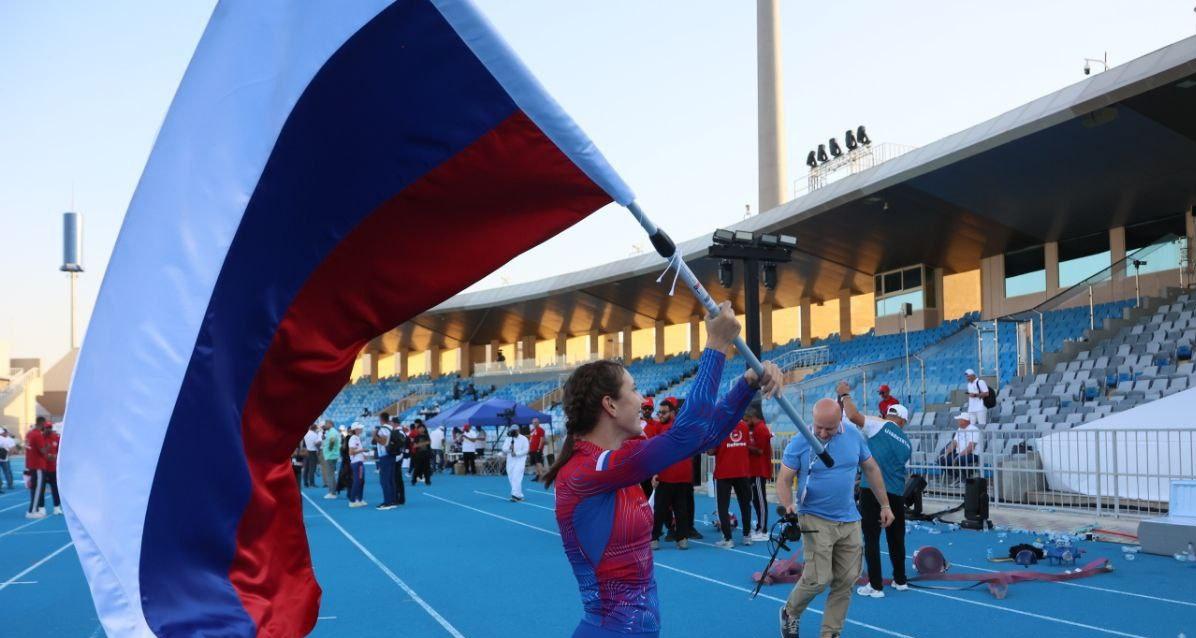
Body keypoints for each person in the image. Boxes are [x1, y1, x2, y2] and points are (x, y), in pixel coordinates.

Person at [544, 302, 782, 637]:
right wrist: (715, 347)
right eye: (634, 390)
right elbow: (687, 434)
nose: (643, 400)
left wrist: (747, 384)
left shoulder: (615, 461)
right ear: (610, 405)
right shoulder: (588, 470)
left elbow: (703, 436)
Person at [776, 397, 894, 638]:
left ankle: (830, 632)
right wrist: (788, 504)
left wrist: (885, 504)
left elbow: (871, 468)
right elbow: (784, 478)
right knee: (818, 579)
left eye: (828, 428)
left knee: (847, 579)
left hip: (849, 518)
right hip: (814, 517)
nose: (822, 432)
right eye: (818, 426)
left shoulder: (853, 435)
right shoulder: (800, 441)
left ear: (840, 420)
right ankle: (790, 612)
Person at [839, 382, 913, 598]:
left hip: (872, 490)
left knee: (871, 537)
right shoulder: (907, 442)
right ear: (904, 421)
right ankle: (900, 580)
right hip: (896, 493)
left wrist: (844, 394)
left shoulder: (880, 425)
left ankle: (875, 585)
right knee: (896, 538)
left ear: (892, 417)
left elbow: (852, 415)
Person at [644, 396, 691, 549]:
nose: (660, 415)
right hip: (666, 475)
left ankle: (681, 538)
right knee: (660, 509)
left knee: (679, 510)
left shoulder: (681, 425)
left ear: (672, 412)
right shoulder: (660, 427)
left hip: (679, 475)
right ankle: (656, 537)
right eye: (659, 412)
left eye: (664, 412)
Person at [709, 419, 754, 548]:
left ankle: (728, 539)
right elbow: (747, 445)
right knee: (745, 505)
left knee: (722, 507)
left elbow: (711, 450)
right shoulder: (744, 425)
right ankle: (747, 536)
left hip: (724, 472)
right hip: (742, 471)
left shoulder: (719, 425)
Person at [745, 405, 773, 542]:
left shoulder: (761, 429)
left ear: (752, 417)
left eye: (746, 419)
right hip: (754, 470)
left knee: (760, 500)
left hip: (759, 470)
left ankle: (763, 529)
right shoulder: (756, 428)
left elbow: (760, 451)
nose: (745, 422)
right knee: (755, 499)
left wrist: (744, 446)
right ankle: (759, 526)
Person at [939, 413, 982, 484]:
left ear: (965, 421)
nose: (958, 422)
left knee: (959, 460)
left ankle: (965, 479)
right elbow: (954, 443)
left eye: (959, 420)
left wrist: (958, 456)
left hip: (972, 454)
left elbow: (970, 447)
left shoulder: (974, 430)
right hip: (960, 453)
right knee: (942, 459)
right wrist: (946, 452)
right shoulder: (960, 429)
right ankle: (957, 477)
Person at [25, 417, 50, 519]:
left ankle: (34, 509)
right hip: (38, 465)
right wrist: (47, 447)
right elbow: (42, 451)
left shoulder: (30, 433)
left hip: (32, 464)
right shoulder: (37, 435)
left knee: (34, 489)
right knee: (38, 489)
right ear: (42, 423)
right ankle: (32, 511)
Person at [502, 424, 530, 501]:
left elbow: (526, 450)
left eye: (515, 430)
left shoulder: (524, 439)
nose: (514, 432)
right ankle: (519, 495)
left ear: (518, 430)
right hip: (510, 461)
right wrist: (509, 449)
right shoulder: (508, 438)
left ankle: (515, 495)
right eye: (512, 430)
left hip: (520, 461)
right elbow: (504, 449)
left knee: (516, 477)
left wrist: (517, 454)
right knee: (511, 477)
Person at [346, 424, 368, 508]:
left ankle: (359, 499)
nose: (362, 429)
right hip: (356, 463)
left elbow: (355, 450)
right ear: (356, 429)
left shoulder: (356, 438)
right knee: (357, 481)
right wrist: (362, 450)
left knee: (361, 481)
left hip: (359, 462)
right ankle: (352, 500)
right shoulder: (353, 438)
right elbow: (351, 452)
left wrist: (363, 454)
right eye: (360, 428)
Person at [320, 420, 341, 499]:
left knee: (330, 474)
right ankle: (333, 491)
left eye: (326, 424)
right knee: (331, 474)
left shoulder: (332, 431)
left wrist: (329, 449)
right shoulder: (331, 431)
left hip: (330, 455)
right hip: (331, 455)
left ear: (330, 424)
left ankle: (332, 492)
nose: (325, 425)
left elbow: (332, 441)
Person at [410, 422, 432, 486]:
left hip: (426, 454)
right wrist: (424, 443)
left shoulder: (427, 436)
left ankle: (427, 481)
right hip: (418, 455)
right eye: (420, 428)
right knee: (417, 468)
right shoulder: (416, 437)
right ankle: (413, 480)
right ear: (418, 429)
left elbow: (429, 443)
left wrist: (420, 444)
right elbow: (414, 446)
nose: (422, 429)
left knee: (427, 468)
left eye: (423, 428)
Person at [301, 424, 321, 488]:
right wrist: (318, 449)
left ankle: (305, 483)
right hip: (312, 452)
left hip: (306, 451)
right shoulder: (315, 435)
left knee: (306, 468)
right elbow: (317, 443)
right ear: (315, 428)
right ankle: (311, 483)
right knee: (312, 468)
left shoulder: (306, 433)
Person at [527, 417, 547, 481]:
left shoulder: (541, 430)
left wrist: (539, 448)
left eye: (536, 422)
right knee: (534, 463)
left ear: (538, 423)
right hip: (532, 449)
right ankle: (537, 475)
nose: (534, 423)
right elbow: (531, 439)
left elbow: (542, 439)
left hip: (537, 449)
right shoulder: (532, 430)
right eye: (533, 422)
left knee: (539, 462)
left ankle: (542, 476)